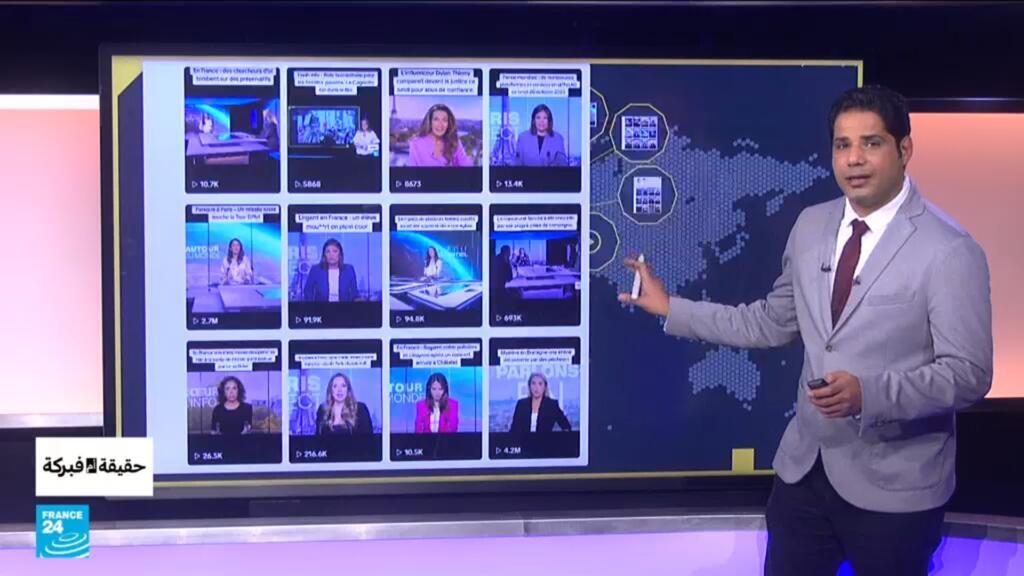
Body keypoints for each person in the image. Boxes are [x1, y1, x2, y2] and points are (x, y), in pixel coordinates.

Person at [620, 85, 992, 576]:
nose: (854, 159)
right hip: (805, 475)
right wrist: (672, 307)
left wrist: (870, 394)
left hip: (896, 490)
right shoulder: (812, 226)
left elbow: (968, 374)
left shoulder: (948, 250)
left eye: (871, 143)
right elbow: (771, 321)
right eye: (842, 145)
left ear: (904, 149)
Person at [407, 104, 471, 167]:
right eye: (436, 119)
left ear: (448, 123)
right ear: (430, 122)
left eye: (444, 120)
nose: (440, 124)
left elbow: (466, 164)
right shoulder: (416, 144)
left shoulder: (454, 141)